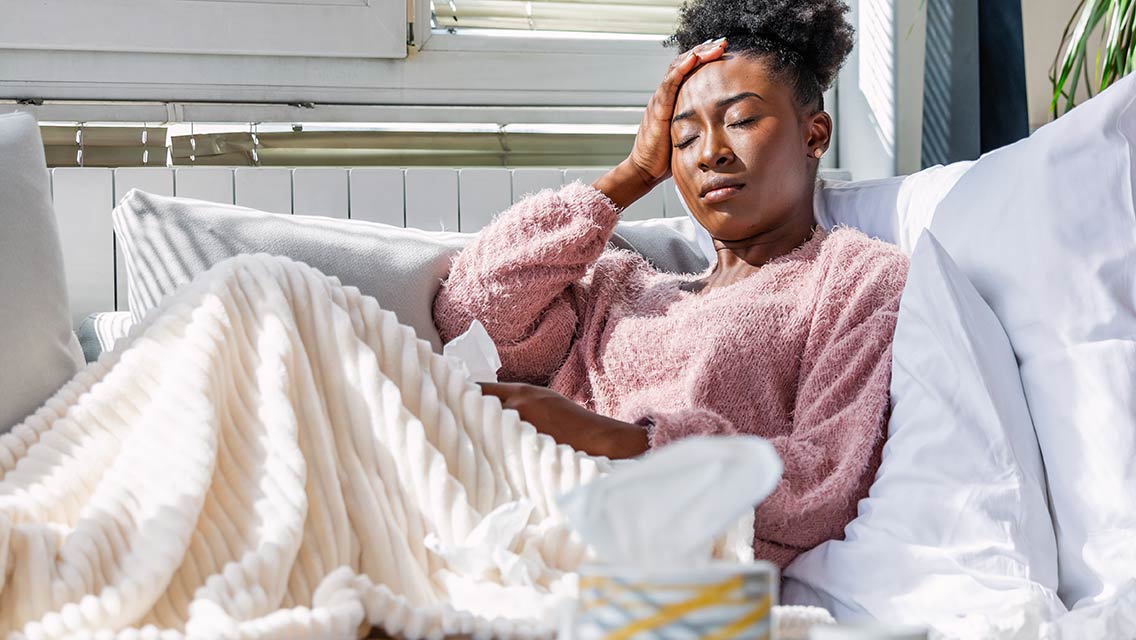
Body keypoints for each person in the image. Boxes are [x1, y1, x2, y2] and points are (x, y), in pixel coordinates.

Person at [432, 0, 910, 570]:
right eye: (683, 140)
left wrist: (616, 439)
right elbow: (468, 312)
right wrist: (631, 173)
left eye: (741, 120)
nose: (710, 153)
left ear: (815, 134)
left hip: (634, 558)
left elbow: (825, 480)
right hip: (504, 509)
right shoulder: (619, 285)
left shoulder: (855, 278)